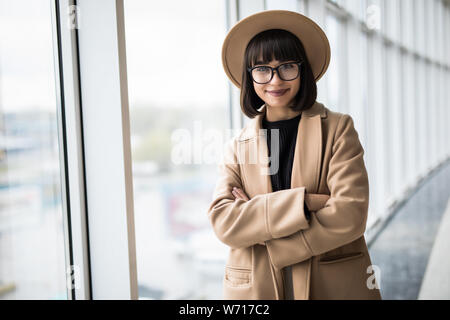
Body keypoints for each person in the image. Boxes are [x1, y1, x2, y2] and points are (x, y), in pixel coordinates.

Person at [207, 10, 382, 300]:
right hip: (256, 286)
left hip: (332, 283)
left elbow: (351, 214)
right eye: (262, 69)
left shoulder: (338, 128)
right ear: (250, 77)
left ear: (303, 70)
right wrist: (306, 202)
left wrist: (262, 223)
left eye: (286, 66)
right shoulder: (237, 145)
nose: (274, 80)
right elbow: (224, 221)